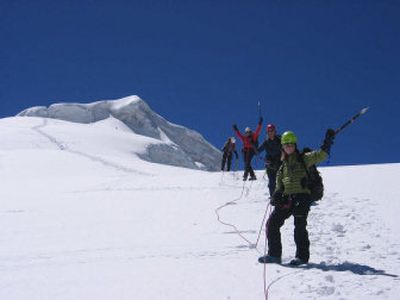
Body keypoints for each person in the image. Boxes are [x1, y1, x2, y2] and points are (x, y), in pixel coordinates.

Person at [258, 128, 335, 266]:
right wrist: (276, 194)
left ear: (295, 145)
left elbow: (321, 155)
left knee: (299, 226)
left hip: (302, 197)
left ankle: (301, 257)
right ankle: (274, 254)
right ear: (282, 146)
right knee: (272, 224)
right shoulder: (283, 167)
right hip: (287, 199)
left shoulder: (304, 158)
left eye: (291, 144)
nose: (288, 147)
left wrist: (327, 142)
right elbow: (279, 185)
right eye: (286, 144)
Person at [257, 124, 282, 196]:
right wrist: (253, 146)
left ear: (275, 131)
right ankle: (273, 197)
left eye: (272, 131)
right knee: (272, 182)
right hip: (270, 164)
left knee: (283, 180)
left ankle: (285, 196)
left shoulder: (280, 139)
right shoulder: (266, 142)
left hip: (279, 163)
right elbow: (258, 151)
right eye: (269, 131)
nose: (270, 132)